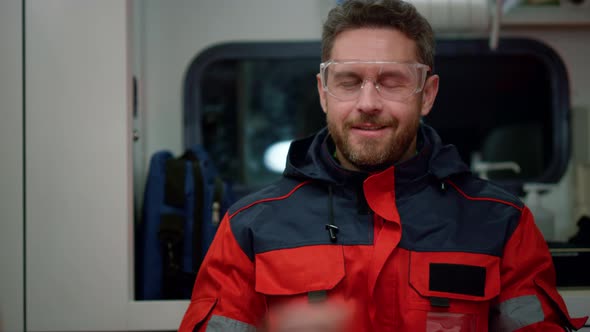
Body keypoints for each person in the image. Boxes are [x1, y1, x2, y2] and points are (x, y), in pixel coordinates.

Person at [179, 0, 588, 331]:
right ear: (324, 92)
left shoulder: (502, 224)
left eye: (392, 80)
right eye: (348, 80)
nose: (368, 102)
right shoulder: (250, 227)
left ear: (426, 94)